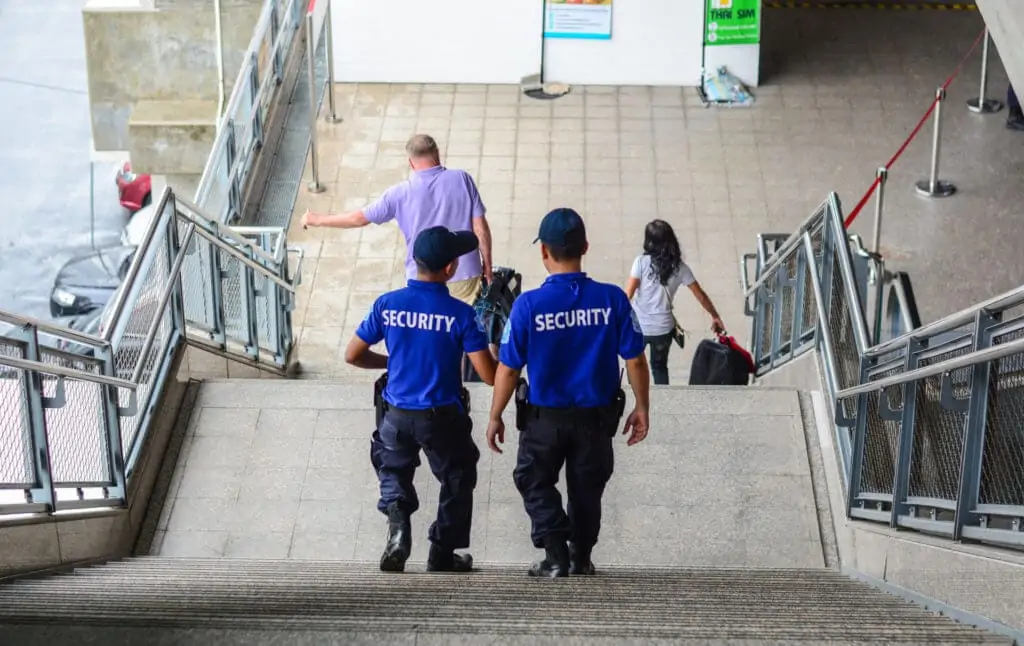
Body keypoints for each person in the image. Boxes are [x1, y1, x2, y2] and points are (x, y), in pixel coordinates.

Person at [484, 208, 651, 578]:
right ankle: (580, 557)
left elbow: (509, 368)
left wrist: (495, 415)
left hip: (545, 420)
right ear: (585, 247)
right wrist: (642, 407)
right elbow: (636, 360)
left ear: (544, 251)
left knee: (533, 479)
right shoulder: (613, 300)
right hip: (596, 420)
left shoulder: (527, 306)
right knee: (587, 489)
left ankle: (555, 552)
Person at [343, 226, 497, 573]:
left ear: (416, 261)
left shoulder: (388, 304)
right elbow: (487, 375)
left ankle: (398, 533)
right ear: (450, 269)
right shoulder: (461, 314)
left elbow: (352, 354)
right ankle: (441, 553)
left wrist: (391, 361)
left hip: (395, 415)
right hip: (442, 418)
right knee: (457, 475)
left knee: (393, 471)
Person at [302, 133, 494, 305]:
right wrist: (487, 266)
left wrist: (315, 219)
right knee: (463, 328)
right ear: (437, 153)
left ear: (411, 163)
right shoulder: (462, 179)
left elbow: (357, 219)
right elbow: (480, 229)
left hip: (423, 278)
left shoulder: (399, 194)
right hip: (465, 274)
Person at [624, 219, 725, 386]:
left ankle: (638, 398)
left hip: (639, 327)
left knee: (635, 364)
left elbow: (627, 295)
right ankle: (664, 402)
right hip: (663, 329)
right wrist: (714, 316)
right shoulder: (680, 267)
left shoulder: (640, 263)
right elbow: (700, 295)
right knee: (659, 367)